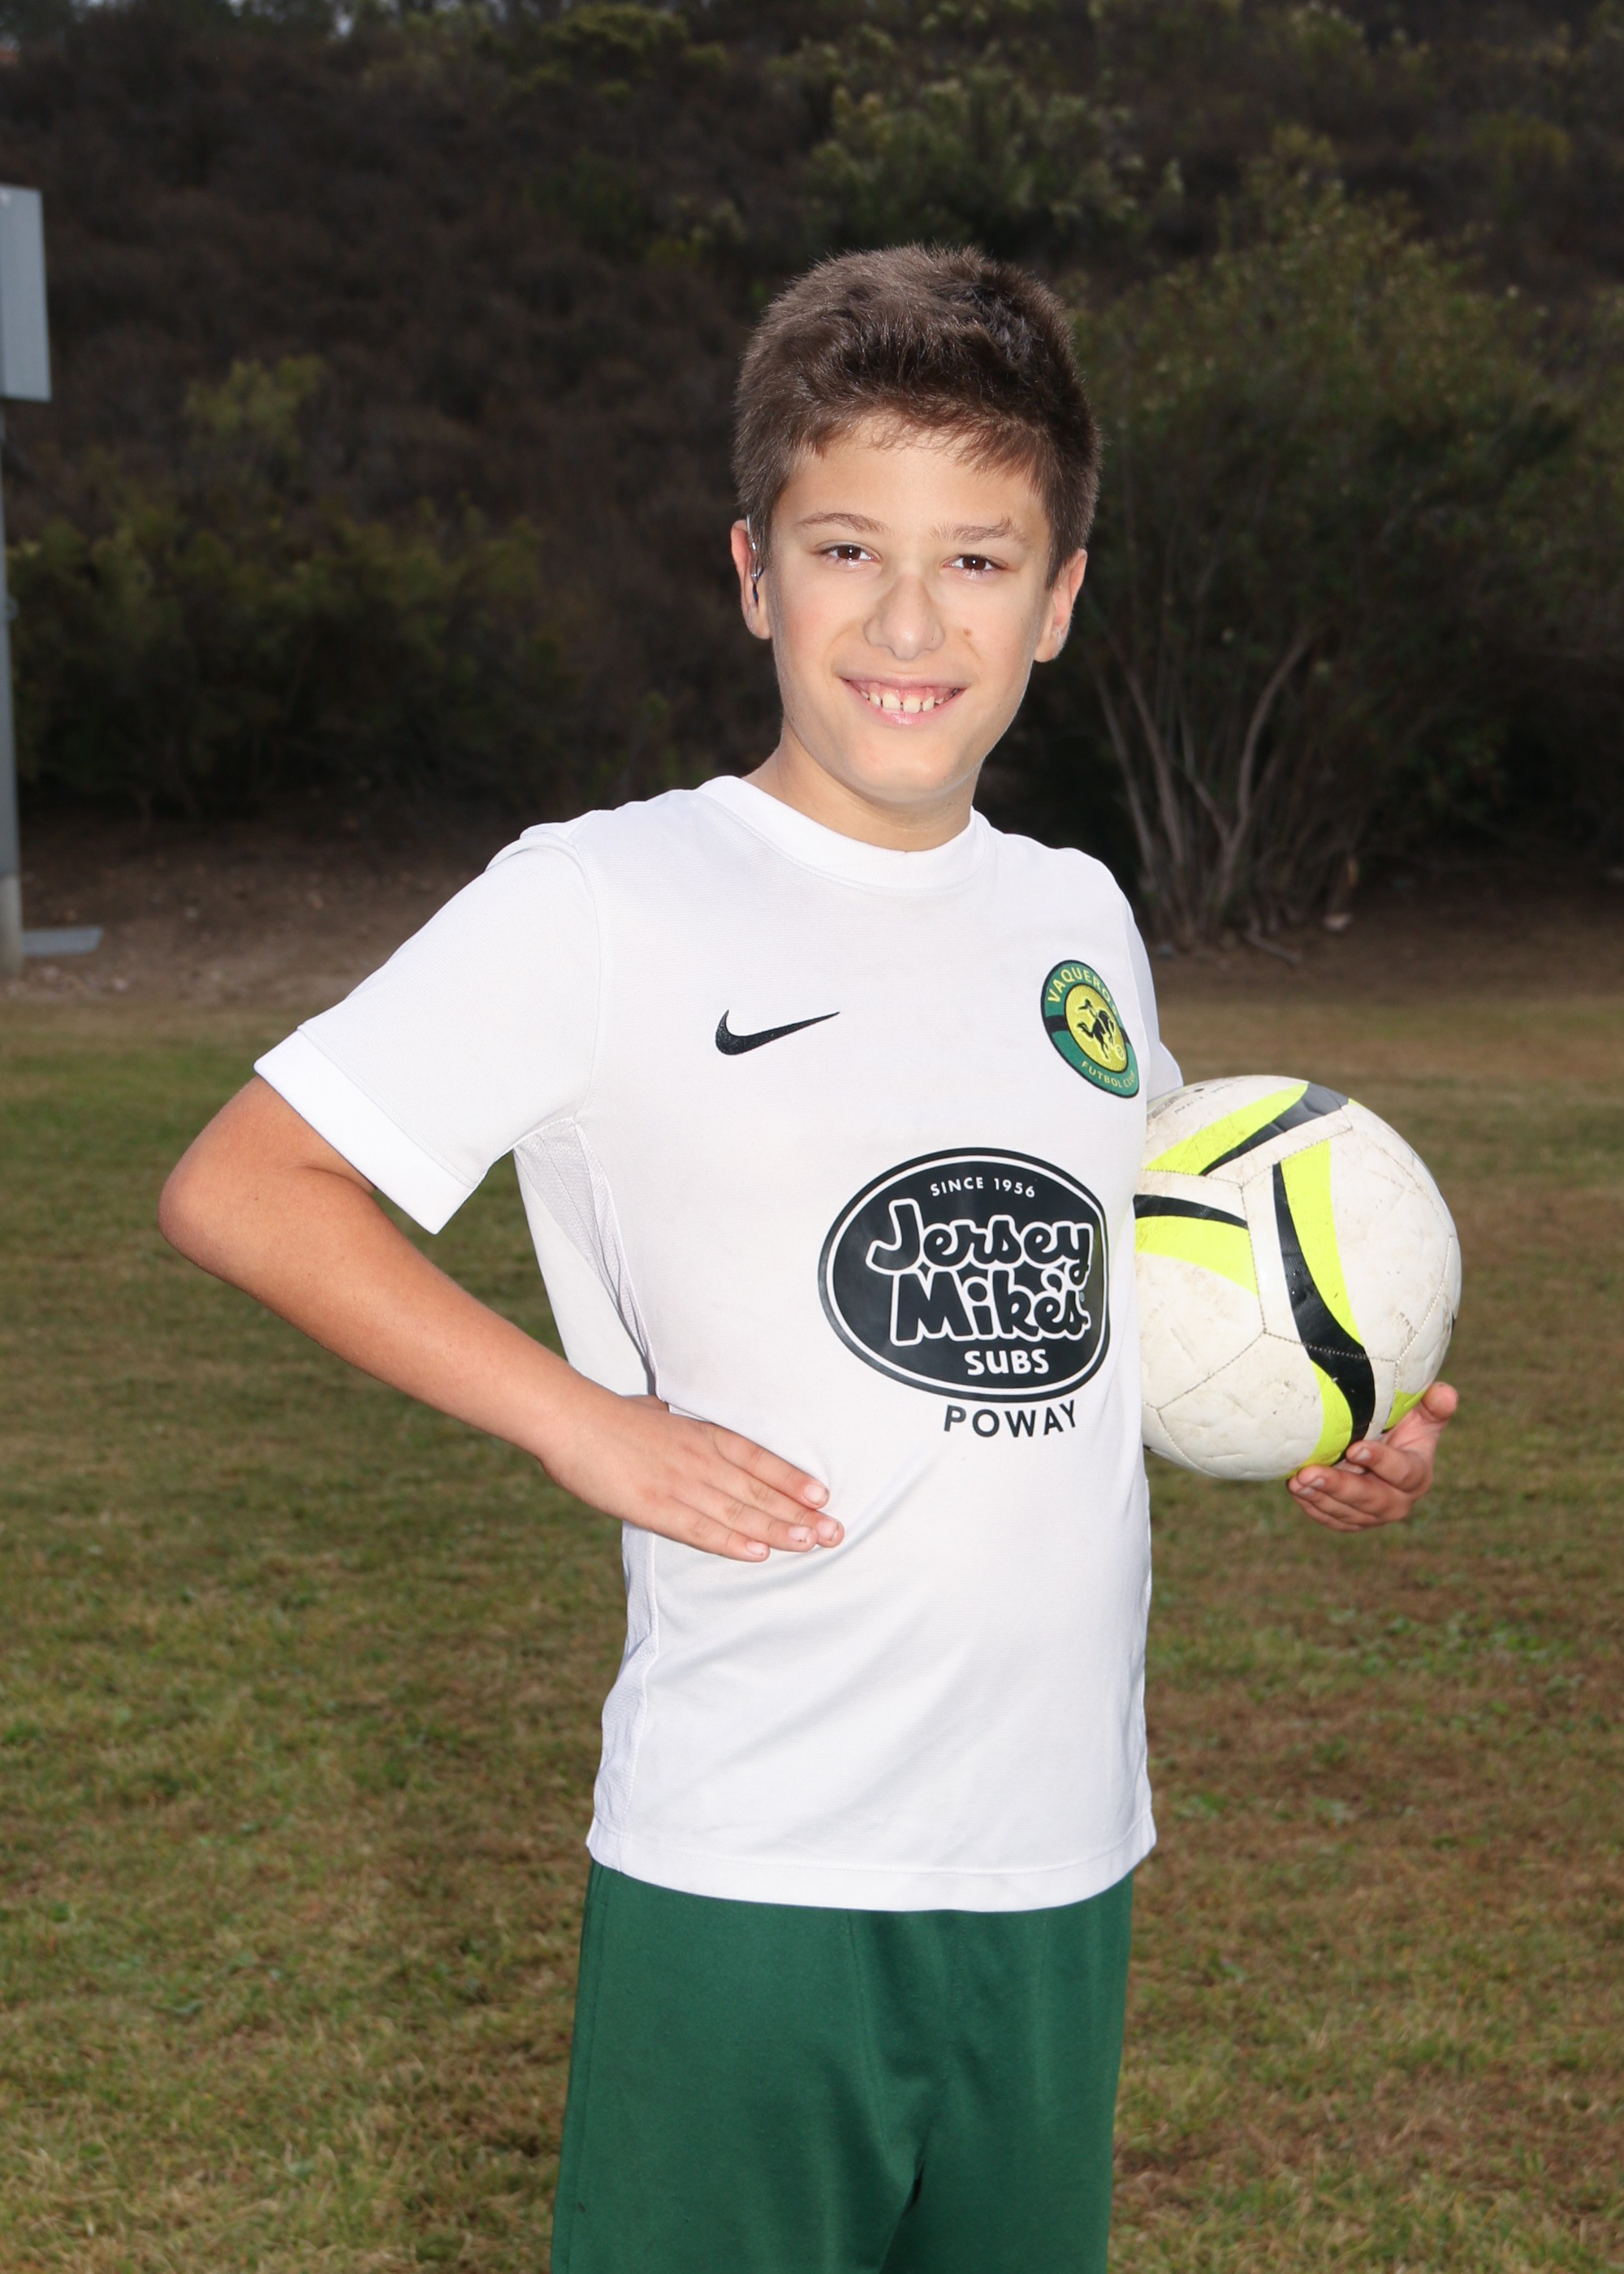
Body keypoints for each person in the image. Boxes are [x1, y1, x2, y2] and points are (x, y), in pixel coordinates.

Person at [160, 246, 1455, 2274]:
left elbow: (1119, 1267)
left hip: (1054, 1852)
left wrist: (1318, 1406)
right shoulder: (608, 898)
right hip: (754, 1860)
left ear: (1059, 597)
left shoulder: (1076, 917)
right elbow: (247, 1183)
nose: (910, 622)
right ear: (755, 570)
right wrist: (581, 1421)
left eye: (976, 559)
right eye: (849, 549)